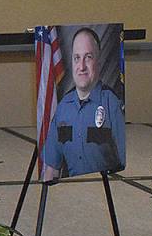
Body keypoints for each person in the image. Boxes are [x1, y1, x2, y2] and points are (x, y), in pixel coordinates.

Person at [41, 28, 125, 180]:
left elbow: (125, 166)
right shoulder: (63, 107)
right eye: (77, 58)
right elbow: (51, 169)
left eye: (88, 57)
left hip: (105, 188)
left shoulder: (112, 104)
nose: (81, 66)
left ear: (98, 62)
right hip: (72, 191)